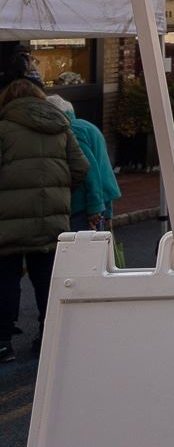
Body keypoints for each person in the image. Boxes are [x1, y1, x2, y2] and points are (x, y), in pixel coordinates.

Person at [0, 79, 88, 361]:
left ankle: (3, 343)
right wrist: (59, 192)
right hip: (52, 219)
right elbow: (80, 167)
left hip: (6, 220)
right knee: (47, 280)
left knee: (5, 280)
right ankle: (48, 336)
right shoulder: (61, 126)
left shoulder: (3, 128)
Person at [49, 94, 119, 234]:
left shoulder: (72, 130)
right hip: (101, 201)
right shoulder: (88, 126)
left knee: (79, 250)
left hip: (83, 205)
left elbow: (89, 170)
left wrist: (94, 206)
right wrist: (107, 210)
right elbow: (103, 167)